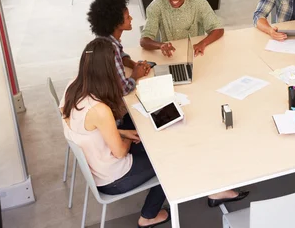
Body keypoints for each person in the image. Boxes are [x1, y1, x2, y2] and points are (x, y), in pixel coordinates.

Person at [61, 39, 249, 228]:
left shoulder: (72, 88)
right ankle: (149, 216)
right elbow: (120, 152)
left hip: (99, 168)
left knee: (160, 139)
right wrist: (131, 137)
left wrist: (122, 132)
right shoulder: (99, 109)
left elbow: (85, 129)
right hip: (115, 178)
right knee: (171, 158)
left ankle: (212, 188)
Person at [140, 0, 224, 57]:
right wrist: (161, 45)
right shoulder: (156, 6)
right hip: (172, 55)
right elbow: (144, 41)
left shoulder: (199, 3)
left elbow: (218, 29)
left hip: (195, 53)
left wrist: (202, 43)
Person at [87, 0, 150, 96]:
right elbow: (123, 89)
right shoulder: (110, 50)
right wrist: (135, 75)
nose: (131, 19)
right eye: (127, 17)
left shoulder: (106, 39)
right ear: (116, 23)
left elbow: (120, 54)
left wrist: (132, 64)